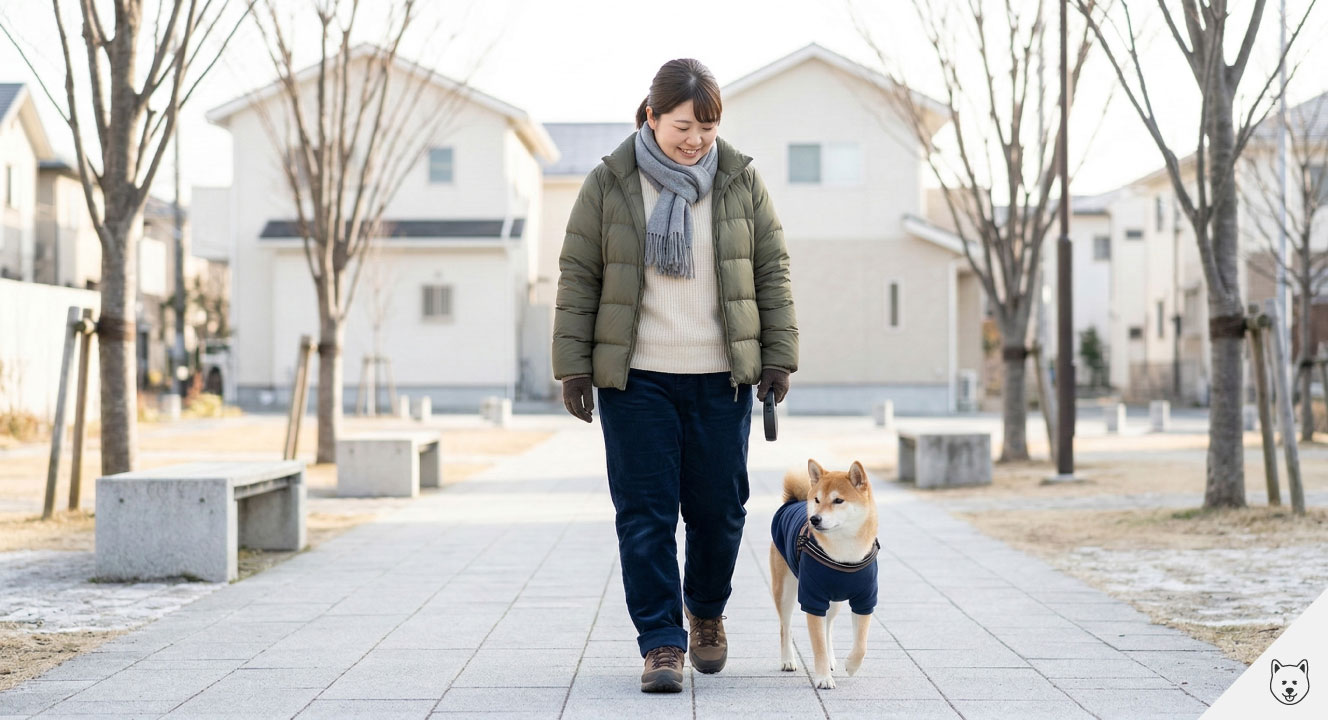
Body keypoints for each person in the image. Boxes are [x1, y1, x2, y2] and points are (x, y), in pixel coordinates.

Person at [552, 57, 798, 693]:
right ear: (652, 116)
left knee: (720, 510)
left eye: (708, 130)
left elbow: (770, 270)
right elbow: (579, 276)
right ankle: (661, 642)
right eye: (684, 127)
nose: (695, 141)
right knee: (645, 515)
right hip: (637, 380)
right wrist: (574, 367)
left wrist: (778, 357)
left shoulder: (741, 181)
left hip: (721, 377)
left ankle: (706, 614)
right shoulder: (610, 183)